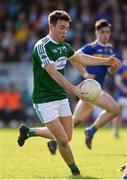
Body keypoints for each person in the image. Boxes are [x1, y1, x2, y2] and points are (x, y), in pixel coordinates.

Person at [17, 11, 120, 175]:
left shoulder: (65, 46)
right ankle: (76, 172)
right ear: (51, 26)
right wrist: (74, 89)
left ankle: (29, 132)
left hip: (60, 97)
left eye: (66, 28)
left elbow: (80, 59)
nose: (65, 31)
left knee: (67, 136)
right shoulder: (41, 46)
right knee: (63, 140)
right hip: (44, 99)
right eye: (61, 27)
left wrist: (105, 61)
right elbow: (53, 72)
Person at [47, 19, 122, 153]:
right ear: (97, 32)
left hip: (94, 90)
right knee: (115, 109)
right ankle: (91, 130)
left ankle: (53, 141)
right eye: (103, 32)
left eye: (108, 32)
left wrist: (114, 68)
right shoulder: (91, 47)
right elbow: (73, 58)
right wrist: (85, 74)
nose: (105, 34)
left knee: (74, 122)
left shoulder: (110, 49)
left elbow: (110, 71)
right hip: (91, 88)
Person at [112, 60, 127, 138]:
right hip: (122, 94)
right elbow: (117, 80)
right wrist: (123, 88)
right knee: (118, 113)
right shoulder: (122, 67)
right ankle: (116, 131)